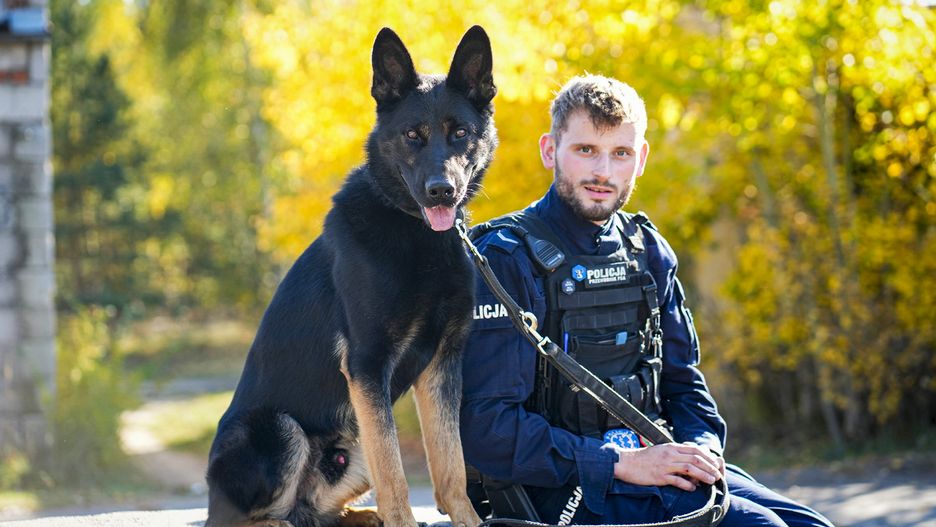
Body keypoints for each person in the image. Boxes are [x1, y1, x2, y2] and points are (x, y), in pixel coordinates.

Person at [460, 74, 833, 527]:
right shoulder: (505, 258)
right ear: (549, 150)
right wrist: (619, 463)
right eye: (586, 150)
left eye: (621, 153)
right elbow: (488, 428)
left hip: (655, 461)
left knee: (812, 524)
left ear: (640, 160)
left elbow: (684, 384)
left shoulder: (647, 249)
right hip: (562, 486)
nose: (603, 172)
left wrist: (700, 450)